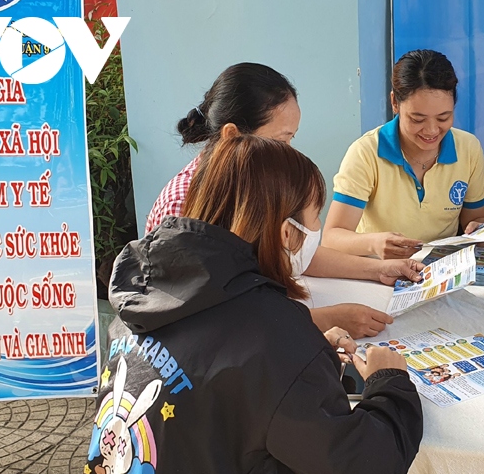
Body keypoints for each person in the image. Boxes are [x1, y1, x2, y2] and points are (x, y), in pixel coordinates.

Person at [74, 135, 424, 474]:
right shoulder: (272, 332)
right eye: (315, 220)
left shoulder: (143, 293)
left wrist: (305, 358)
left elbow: (212, 379)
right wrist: (390, 384)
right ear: (287, 233)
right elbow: (364, 470)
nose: (317, 232)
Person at [146, 62, 419, 337]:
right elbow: (210, 324)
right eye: (280, 140)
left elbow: (295, 253)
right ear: (233, 136)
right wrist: (320, 320)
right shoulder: (185, 208)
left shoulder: (254, 183)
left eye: (292, 139)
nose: (288, 152)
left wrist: (378, 269)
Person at [324, 50, 484, 258]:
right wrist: (374, 244)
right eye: (418, 119)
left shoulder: (468, 148)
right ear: (395, 103)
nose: (431, 131)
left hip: (440, 270)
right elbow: (332, 237)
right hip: (378, 271)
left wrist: (480, 229)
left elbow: (477, 217)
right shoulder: (366, 153)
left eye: (443, 118)